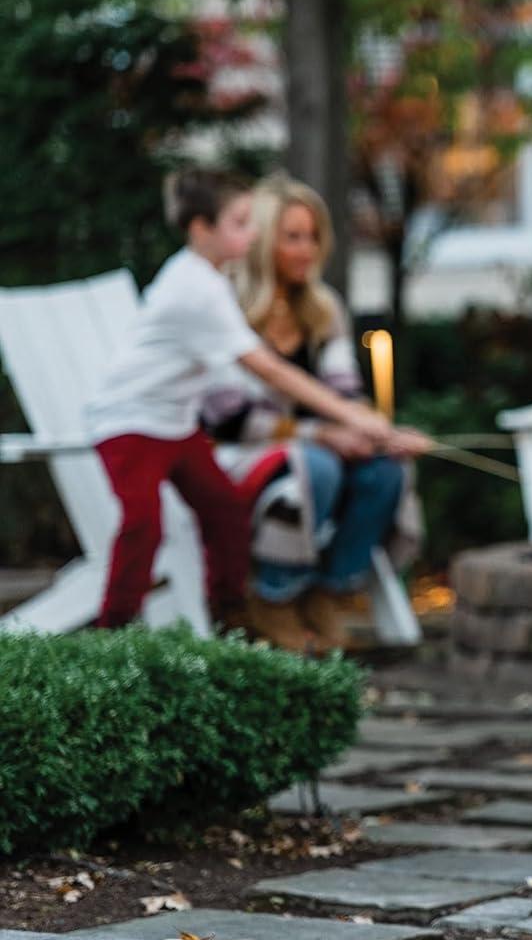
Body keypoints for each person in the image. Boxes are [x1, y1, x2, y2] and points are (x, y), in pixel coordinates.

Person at [85, 169, 393, 631]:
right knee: (143, 524)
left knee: (224, 510)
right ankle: (113, 628)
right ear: (201, 229)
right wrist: (348, 416)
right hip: (130, 425)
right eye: (240, 223)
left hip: (176, 424)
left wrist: (367, 424)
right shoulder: (195, 291)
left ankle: (230, 613)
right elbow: (266, 368)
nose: (253, 234)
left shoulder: (212, 281)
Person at [202, 176, 430, 650]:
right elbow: (225, 417)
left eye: (313, 236)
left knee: (385, 470)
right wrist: (319, 433)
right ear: (263, 241)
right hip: (235, 451)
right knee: (318, 466)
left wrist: (381, 434)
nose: (308, 249)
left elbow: (344, 392)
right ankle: (275, 593)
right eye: (293, 237)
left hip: (304, 444)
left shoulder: (323, 308)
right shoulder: (224, 307)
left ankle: (331, 589)